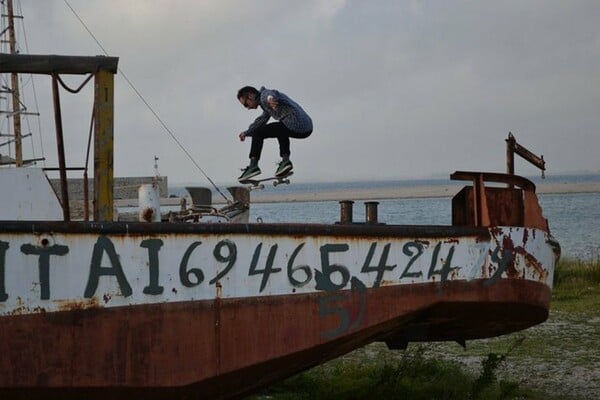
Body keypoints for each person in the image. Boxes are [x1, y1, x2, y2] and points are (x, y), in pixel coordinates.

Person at [236, 86, 313, 181]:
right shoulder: (265, 105)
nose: (247, 108)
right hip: (306, 128)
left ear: (251, 96)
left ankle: (253, 166)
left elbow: (270, 94)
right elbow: (261, 121)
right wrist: (246, 133)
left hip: (296, 124)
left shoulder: (264, 96)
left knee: (259, 133)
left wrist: (270, 99)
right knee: (280, 129)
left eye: (246, 104)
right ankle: (285, 162)